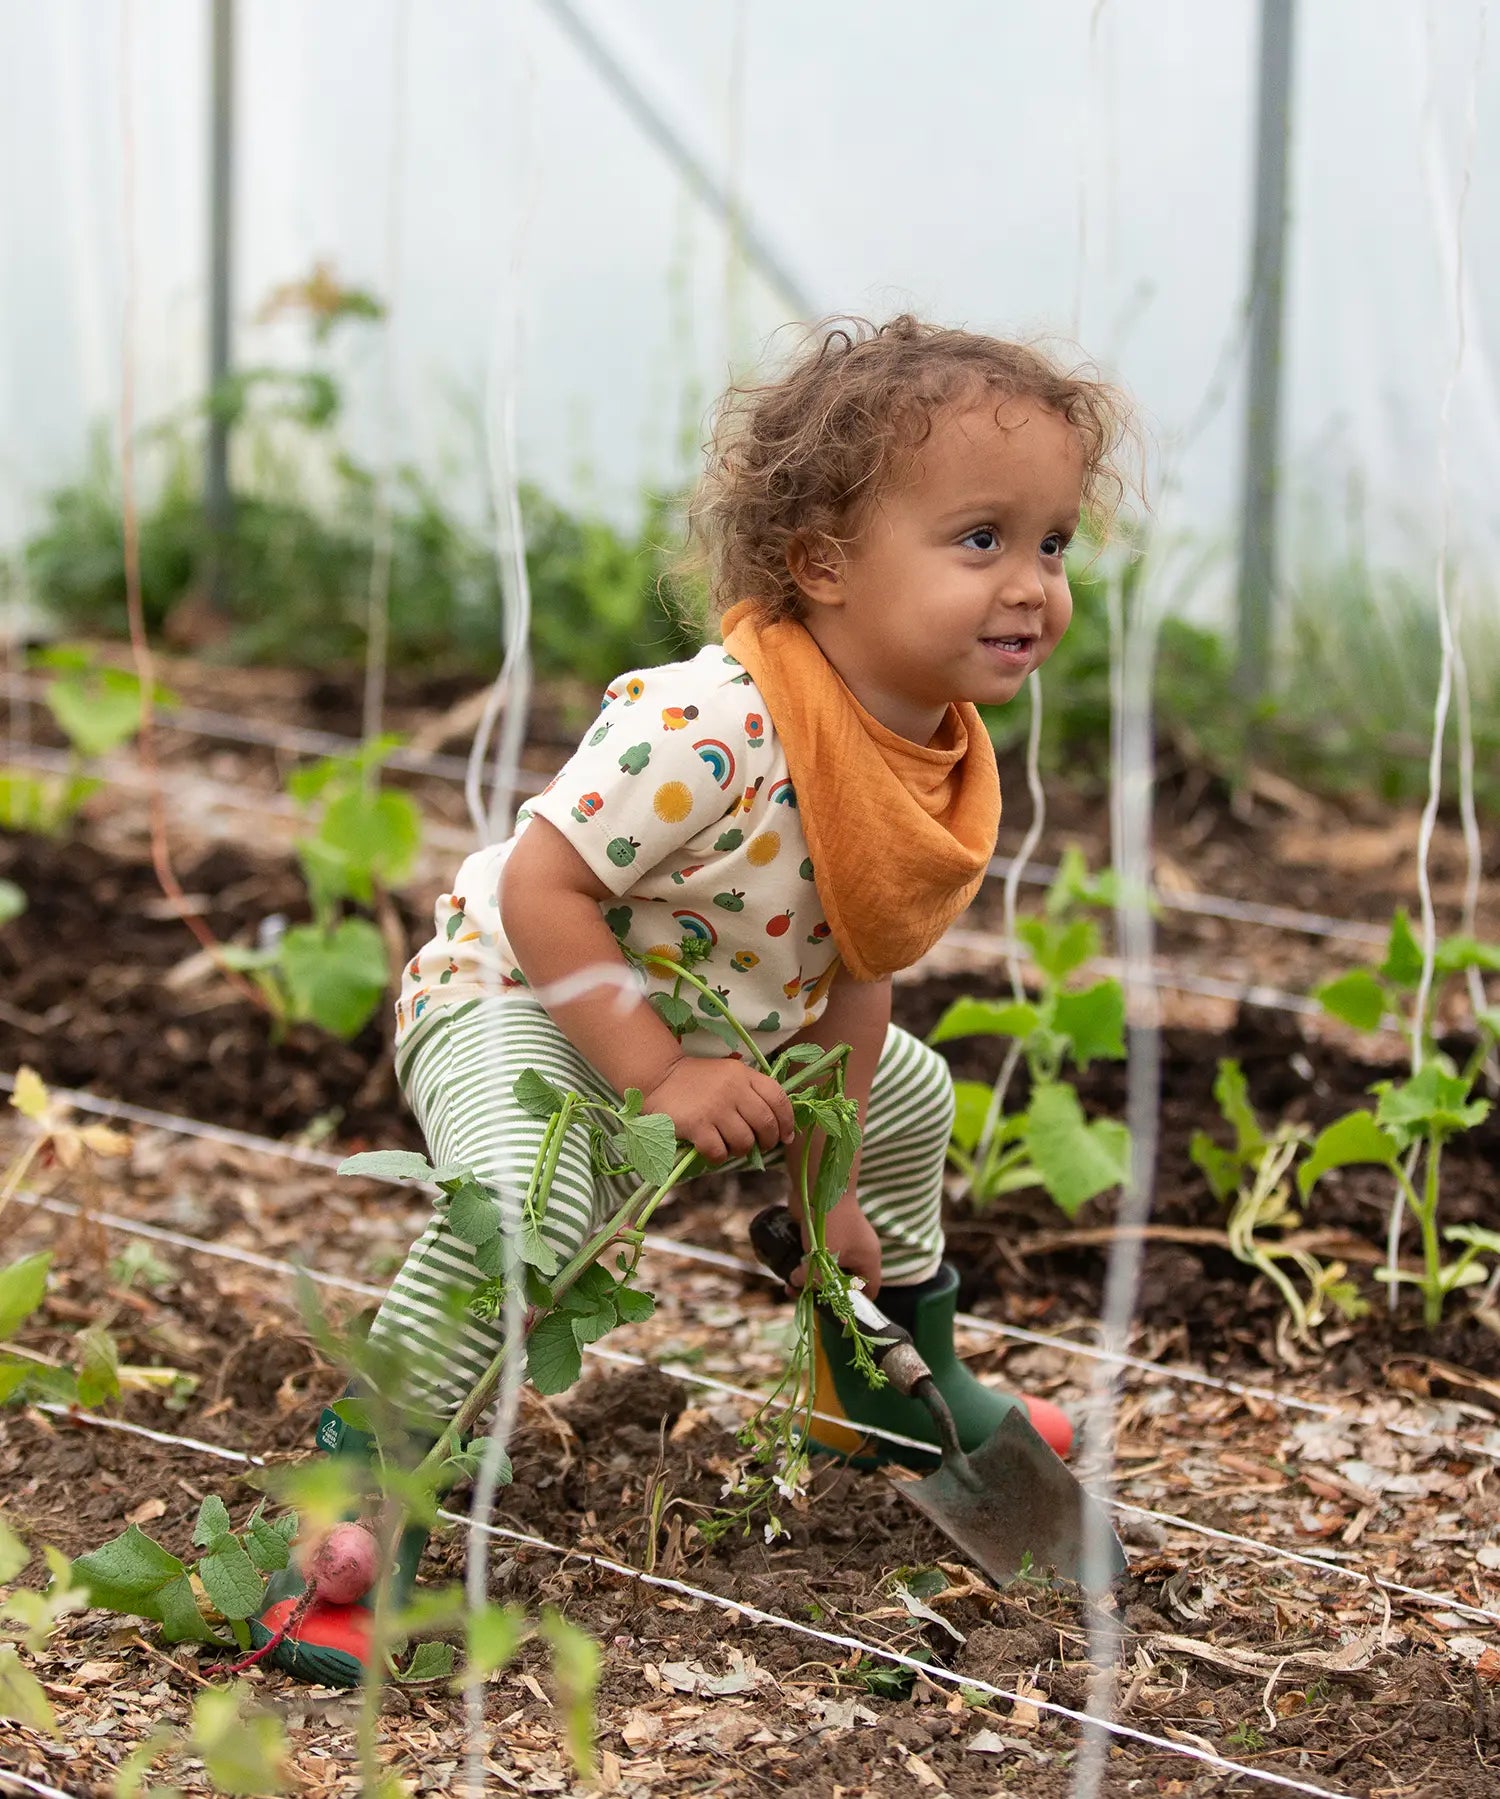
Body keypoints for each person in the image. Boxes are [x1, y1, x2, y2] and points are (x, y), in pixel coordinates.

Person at [253, 314, 1134, 1684]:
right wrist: (658, 1075)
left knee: (907, 1091)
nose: (1032, 586)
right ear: (823, 564)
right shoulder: (710, 724)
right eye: (981, 540)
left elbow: (858, 964)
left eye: (1054, 543)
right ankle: (355, 1495)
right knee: (531, 1207)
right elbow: (543, 888)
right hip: (524, 998)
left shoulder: (927, 749)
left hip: (721, 1025)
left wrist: (827, 1196)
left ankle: (881, 1376)